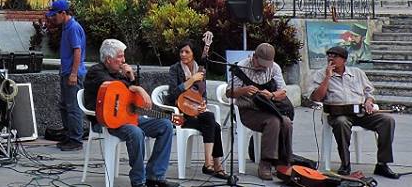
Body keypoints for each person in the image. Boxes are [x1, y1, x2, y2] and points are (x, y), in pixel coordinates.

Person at [83, 39, 179, 187]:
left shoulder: (119, 73)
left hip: (127, 117)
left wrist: (132, 78)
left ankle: (155, 175)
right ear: (109, 59)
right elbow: (114, 87)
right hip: (106, 122)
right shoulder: (95, 72)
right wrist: (137, 87)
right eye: (120, 56)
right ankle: (138, 181)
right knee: (136, 132)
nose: (124, 60)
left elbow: (134, 99)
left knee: (166, 125)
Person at [306, 46, 399, 180]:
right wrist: (327, 77)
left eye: (335, 56)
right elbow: (316, 97)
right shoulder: (320, 74)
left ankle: (382, 164)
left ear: (344, 60)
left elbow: (369, 92)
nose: (331, 58)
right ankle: (345, 164)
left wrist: (368, 101)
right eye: (329, 55)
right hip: (338, 114)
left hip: (360, 113)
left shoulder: (357, 73)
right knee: (342, 123)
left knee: (387, 120)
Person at [226, 43, 293, 181]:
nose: (263, 67)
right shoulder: (240, 67)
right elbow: (229, 93)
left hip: (268, 108)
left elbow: (283, 92)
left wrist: (272, 95)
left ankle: (283, 162)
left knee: (286, 122)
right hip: (248, 111)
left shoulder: (274, 68)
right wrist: (244, 90)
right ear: (254, 57)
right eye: (260, 64)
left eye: (266, 65)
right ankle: (265, 163)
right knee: (273, 121)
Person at [166, 40, 227, 179]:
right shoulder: (175, 69)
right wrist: (191, 80)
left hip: (196, 112)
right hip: (181, 115)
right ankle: (213, 165)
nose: (183, 54)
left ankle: (211, 165)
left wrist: (203, 104)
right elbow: (172, 95)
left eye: (187, 51)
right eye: (181, 51)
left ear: (193, 54)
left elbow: (202, 94)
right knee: (214, 125)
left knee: (211, 121)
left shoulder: (200, 70)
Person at [45, 0, 86, 151]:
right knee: (64, 105)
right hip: (66, 72)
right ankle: (69, 135)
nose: (53, 18)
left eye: (55, 15)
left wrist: (73, 74)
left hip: (72, 73)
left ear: (63, 13)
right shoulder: (65, 27)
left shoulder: (73, 28)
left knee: (73, 107)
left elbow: (77, 51)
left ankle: (76, 140)